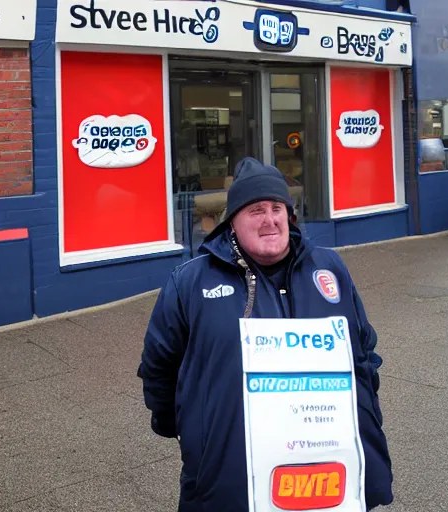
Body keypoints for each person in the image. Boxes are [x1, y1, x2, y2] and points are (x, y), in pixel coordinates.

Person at [137, 157, 393, 512]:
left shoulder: (329, 268)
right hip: (229, 480)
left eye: (277, 208)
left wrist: (366, 412)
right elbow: (159, 367)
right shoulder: (191, 282)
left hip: (330, 472)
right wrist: (191, 434)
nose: (270, 219)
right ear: (233, 221)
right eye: (256, 209)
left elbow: (363, 349)